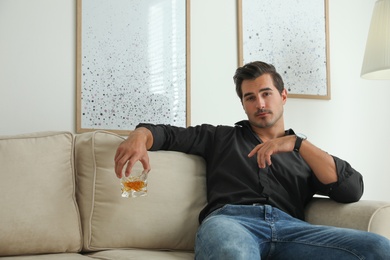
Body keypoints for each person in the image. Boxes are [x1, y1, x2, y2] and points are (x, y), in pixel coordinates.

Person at [114, 61, 390, 259]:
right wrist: (140, 135)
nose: (259, 103)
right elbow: (168, 135)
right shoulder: (220, 137)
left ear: (283, 96)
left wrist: (298, 144)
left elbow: (352, 189)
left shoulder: (304, 155)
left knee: (379, 248)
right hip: (231, 223)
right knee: (233, 253)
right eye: (250, 97)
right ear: (243, 104)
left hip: (291, 230)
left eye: (266, 93)